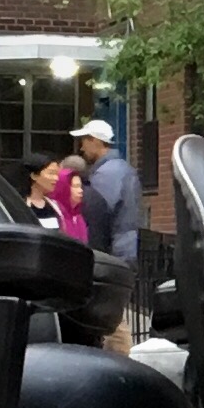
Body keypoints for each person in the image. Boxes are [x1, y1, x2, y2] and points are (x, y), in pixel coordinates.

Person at [73, 116, 145, 348]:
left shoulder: (107, 175)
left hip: (112, 253)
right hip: (123, 251)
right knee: (113, 316)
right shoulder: (120, 169)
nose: (82, 146)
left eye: (84, 140)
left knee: (110, 320)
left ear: (95, 141)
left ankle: (118, 366)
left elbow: (95, 215)